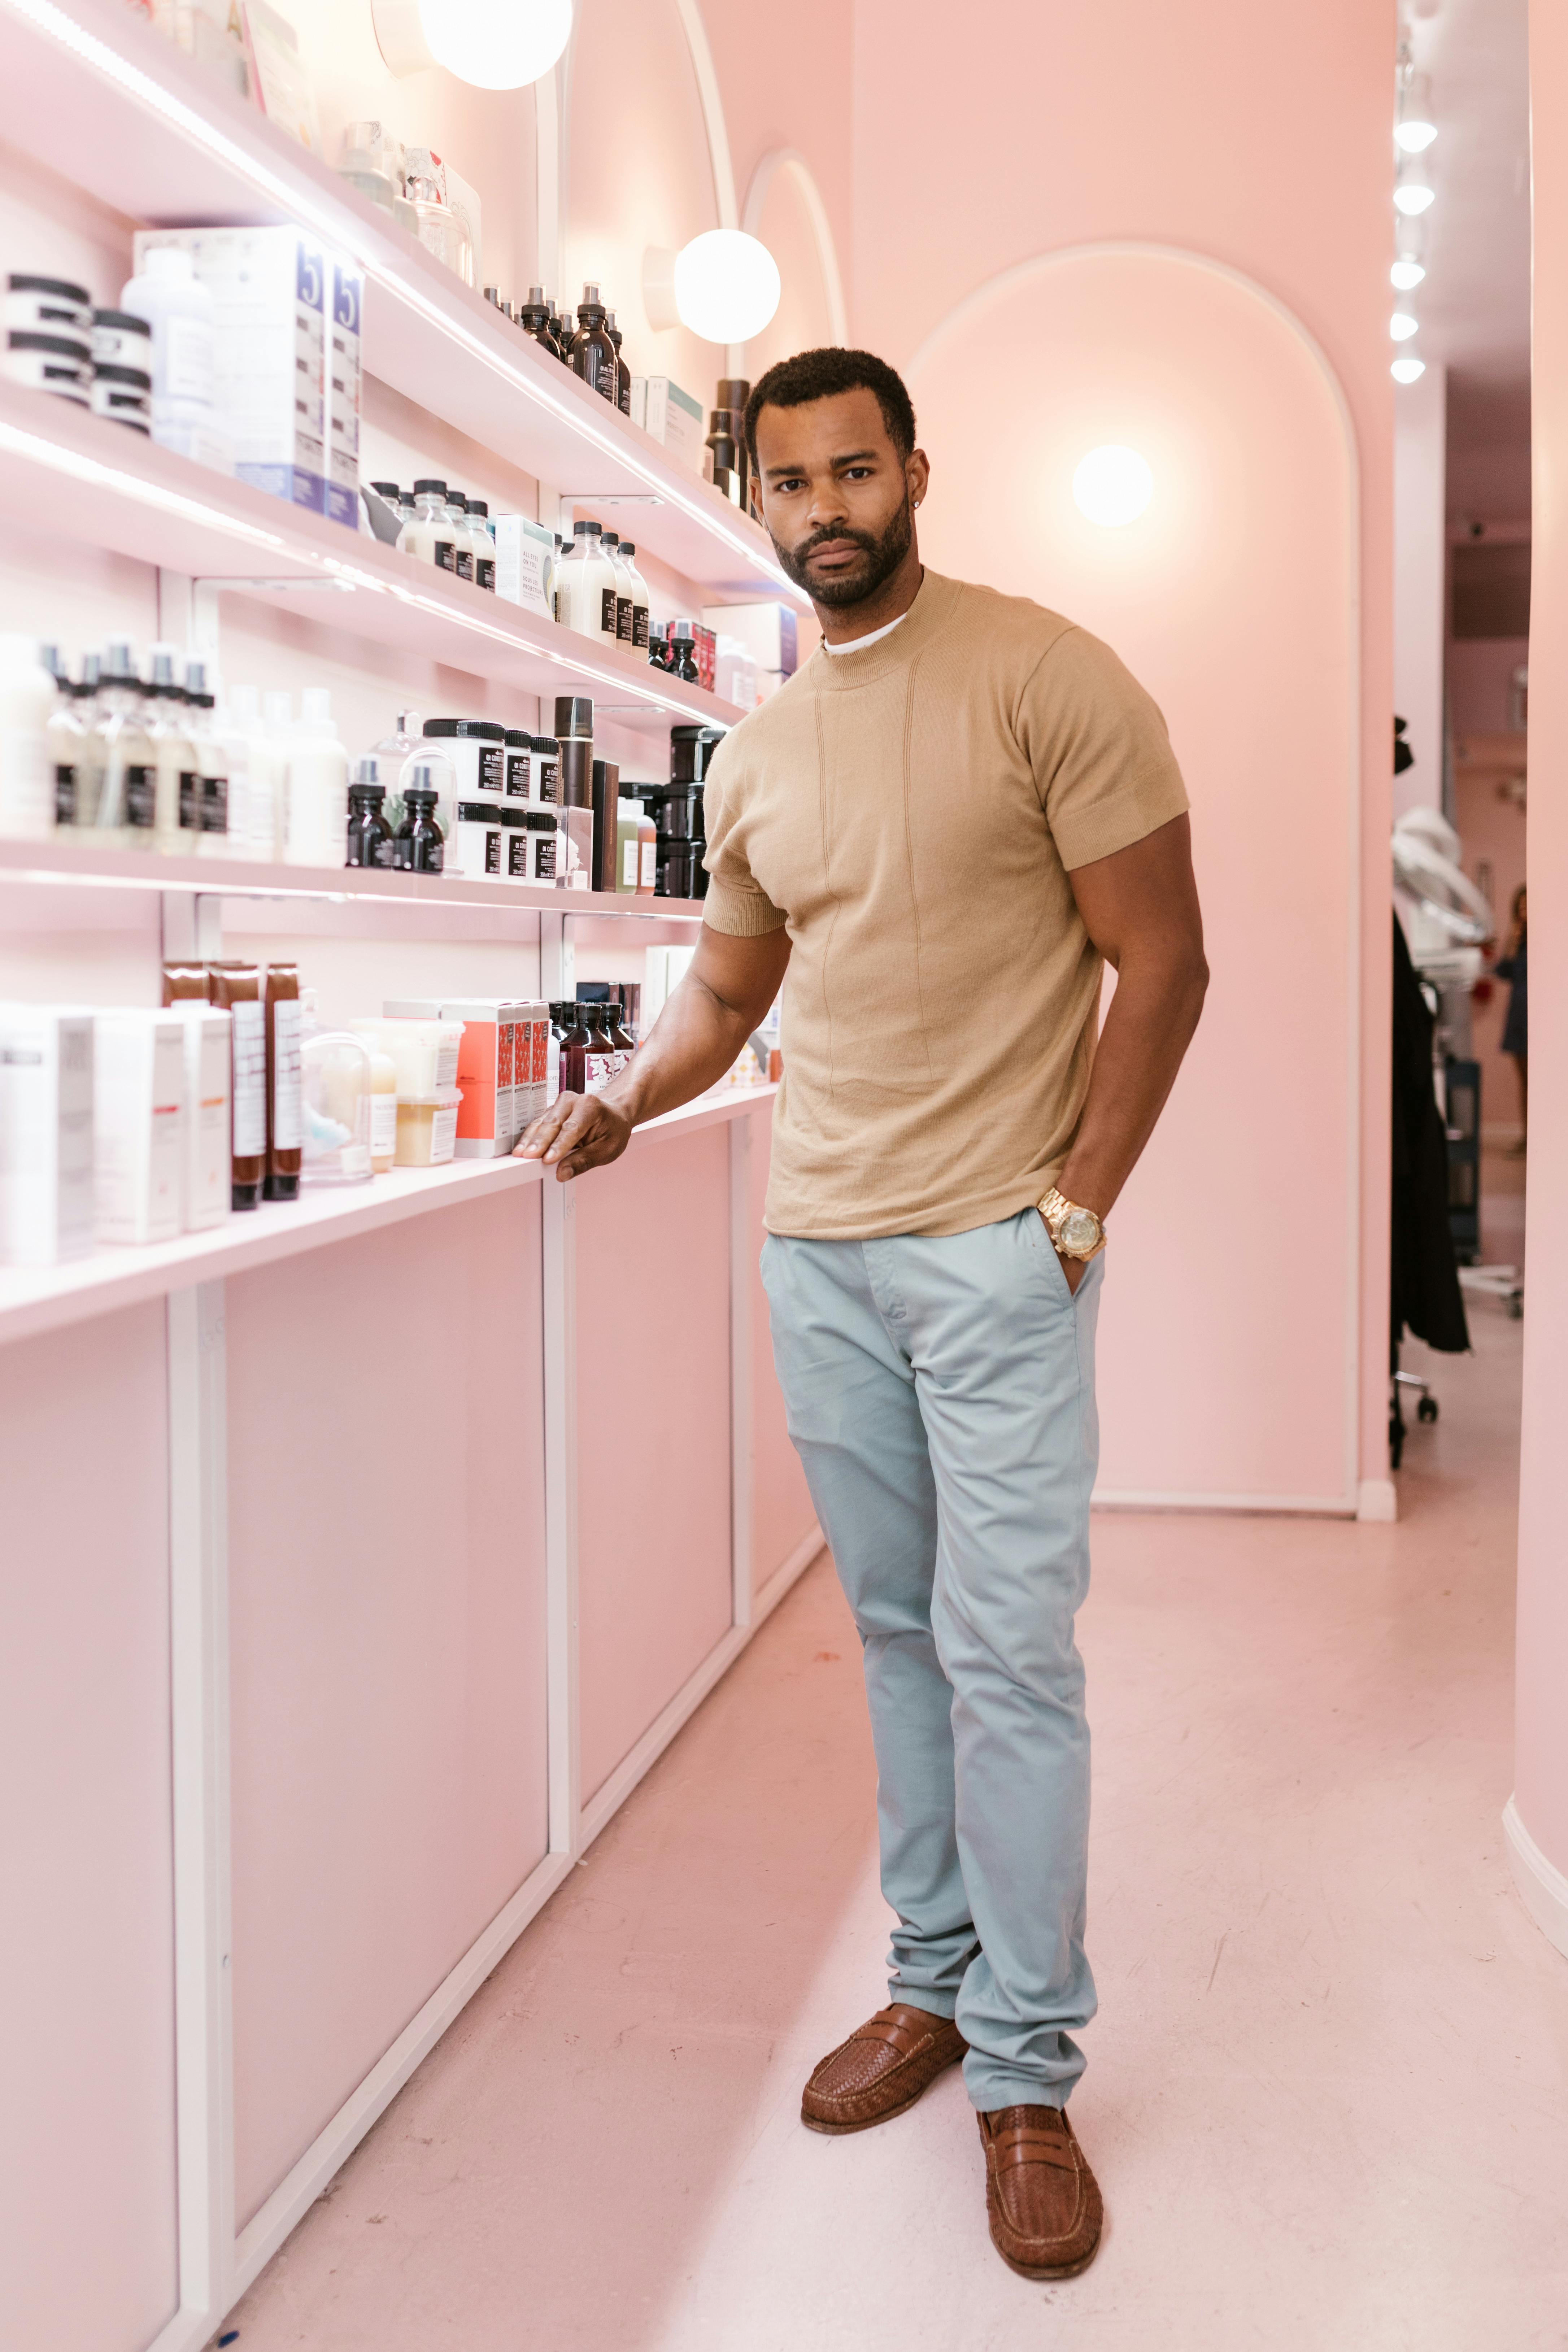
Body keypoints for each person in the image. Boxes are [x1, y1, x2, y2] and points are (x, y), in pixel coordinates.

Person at [516, 347, 1207, 2281]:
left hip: (993, 1248)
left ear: (915, 470)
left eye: (853, 470)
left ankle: (1023, 2068)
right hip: (814, 1250)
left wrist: (1070, 1209)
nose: (822, 507)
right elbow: (730, 997)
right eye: (788, 482)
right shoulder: (757, 754)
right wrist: (628, 1100)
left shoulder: (1043, 677)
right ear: (754, 498)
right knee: (895, 1641)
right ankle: (926, 1978)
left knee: (1012, 1658)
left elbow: (1163, 961)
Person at [1495, 884, 1528, 1151]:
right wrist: (1513, 940)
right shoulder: (1517, 940)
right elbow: (1502, 972)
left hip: (1535, 1013)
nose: (1524, 912)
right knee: (1523, 1080)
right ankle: (1526, 1136)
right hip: (1518, 1014)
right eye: (1521, 907)